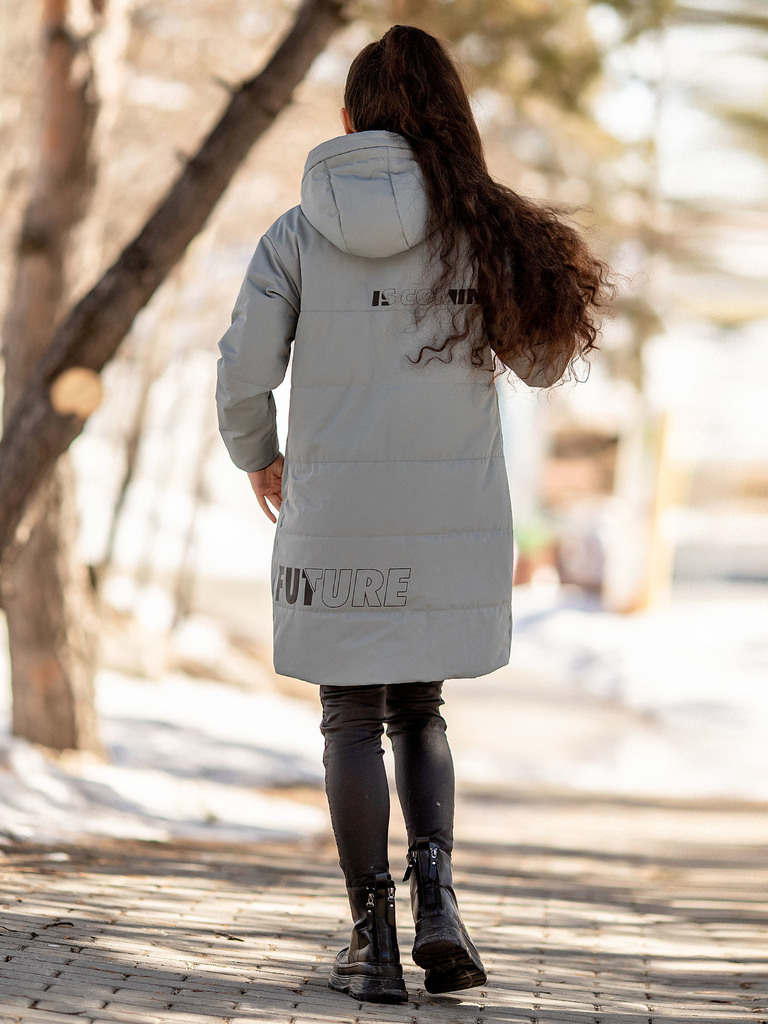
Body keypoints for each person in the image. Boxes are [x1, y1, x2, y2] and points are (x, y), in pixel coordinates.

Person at [216, 25, 612, 1004]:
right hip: (448, 514)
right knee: (418, 706)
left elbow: (241, 371)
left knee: (349, 714)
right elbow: (544, 365)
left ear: (350, 120)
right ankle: (438, 901)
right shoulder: (478, 229)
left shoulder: (296, 234)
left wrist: (259, 456)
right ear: (449, 119)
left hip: (335, 516)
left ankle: (374, 939)